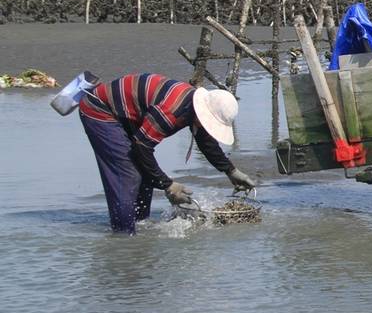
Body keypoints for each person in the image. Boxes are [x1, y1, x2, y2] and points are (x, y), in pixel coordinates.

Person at [78, 73, 255, 233]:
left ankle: (139, 224)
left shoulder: (192, 107)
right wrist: (168, 185)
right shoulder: (172, 111)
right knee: (128, 175)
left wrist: (230, 171)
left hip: (125, 115)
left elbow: (206, 142)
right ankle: (123, 235)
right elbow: (141, 148)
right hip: (99, 109)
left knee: (145, 174)